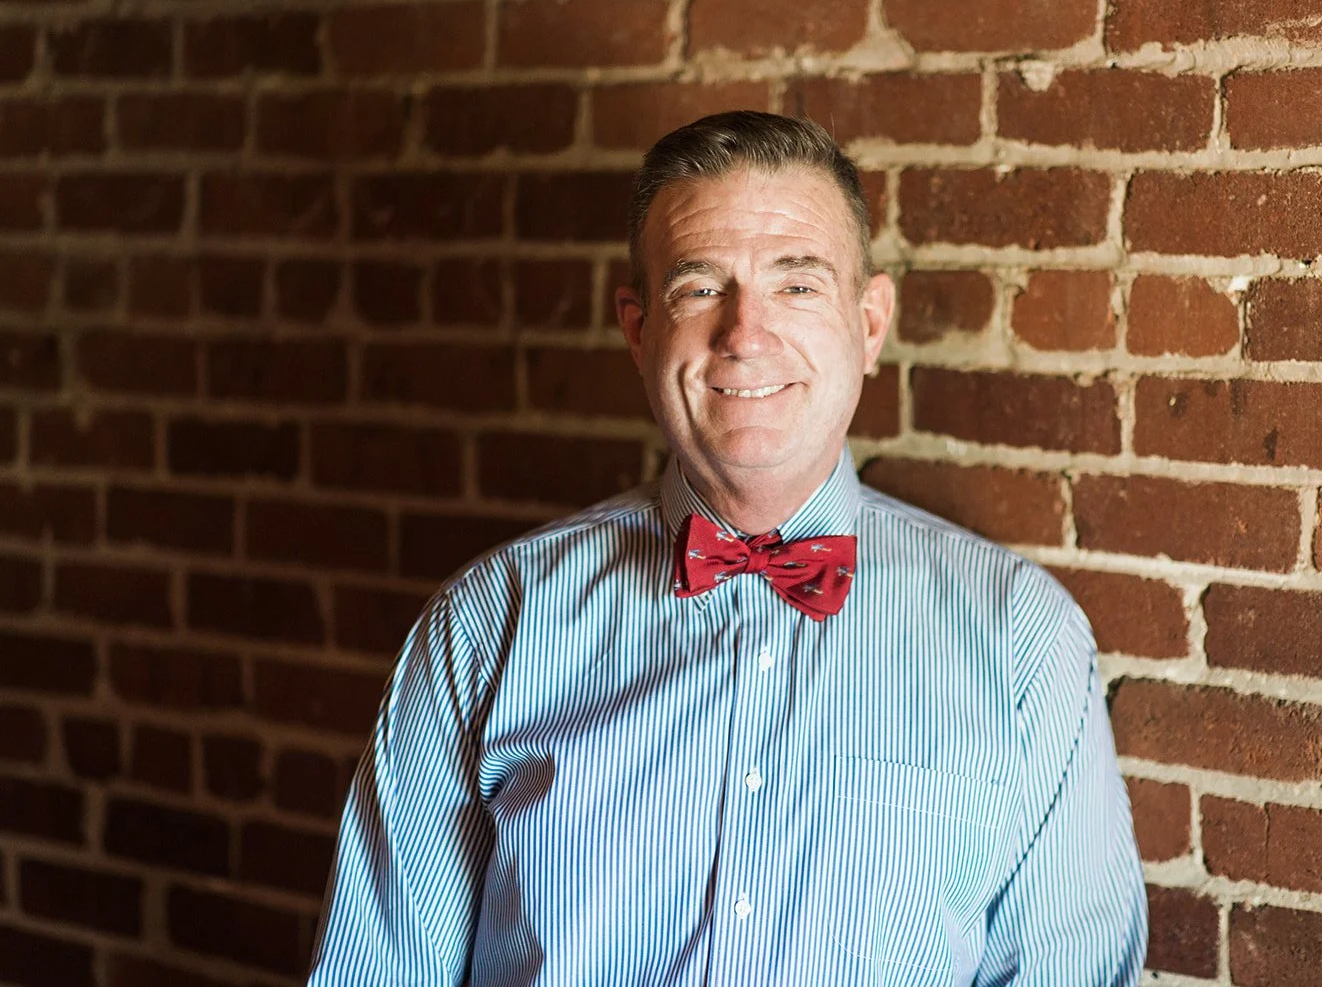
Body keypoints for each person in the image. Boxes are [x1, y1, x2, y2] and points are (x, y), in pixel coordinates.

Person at [307, 111, 1147, 985]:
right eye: (700, 288)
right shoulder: (489, 621)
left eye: (797, 285)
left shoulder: (1020, 640)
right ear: (639, 331)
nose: (745, 334)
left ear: (869, 324)